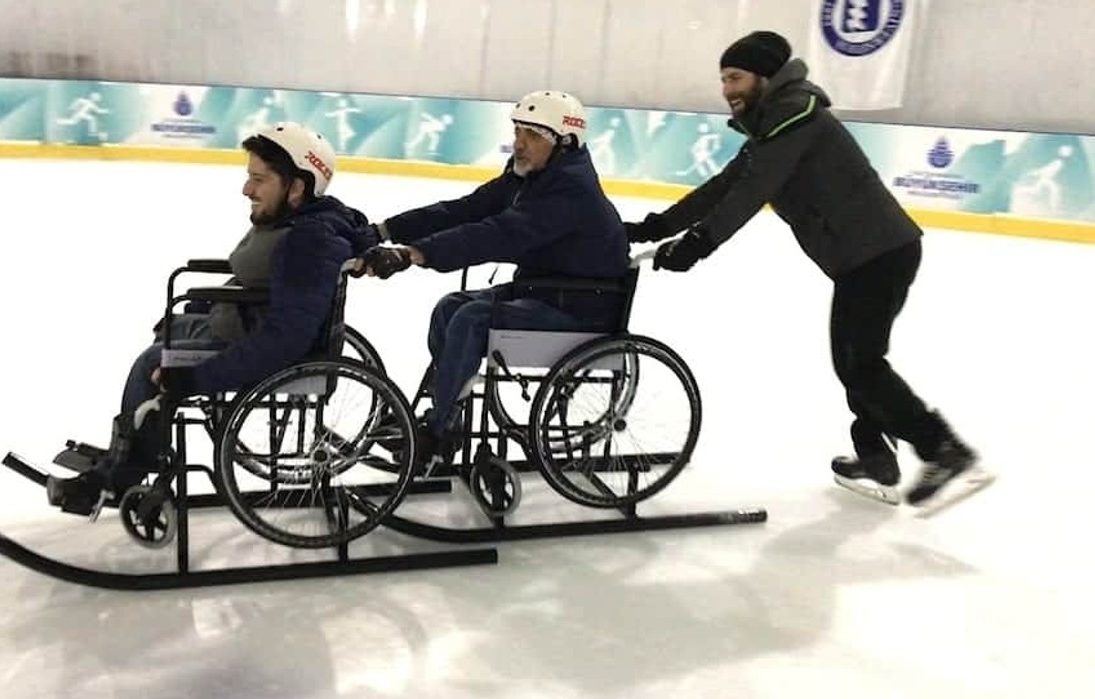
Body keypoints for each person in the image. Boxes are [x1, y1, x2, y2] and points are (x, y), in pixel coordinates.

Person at [624, 31, 979, 507]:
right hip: (865, 256)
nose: (727, 89)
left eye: (735, 77)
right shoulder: (773, 121)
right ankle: (875, 452)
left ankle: (942, 449)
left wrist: (696, 245)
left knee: (860, 363)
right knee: (856, 361)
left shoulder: (794, 116)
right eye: (724, 79)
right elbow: (725, 185)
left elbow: (751, 194)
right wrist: (655, 227)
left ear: (764, 77)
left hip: (878, 254)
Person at [47, 122, 373, 515]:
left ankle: (126, 472)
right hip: (244, 325)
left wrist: (194, 378)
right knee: (171, 331)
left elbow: (284, 339)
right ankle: (136, 446)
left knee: (155, 361)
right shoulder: (297, 227)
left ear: (297, 187)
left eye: (259, 179)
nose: (246, 190)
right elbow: (267, 288)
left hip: (275, 353)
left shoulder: (308, 242)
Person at [357, 90, 629, 472]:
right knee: (450, 307)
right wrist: (387, 230)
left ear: (564, 142)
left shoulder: (570, 190)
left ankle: (434, 437)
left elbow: (500, 233)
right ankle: (446, 416)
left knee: (472, 319)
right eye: (518, 131)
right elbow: (467, 209)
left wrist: (415, 254)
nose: (519, 143)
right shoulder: (531, 176)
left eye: (533, 136)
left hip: (581, 307)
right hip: (548, 290)